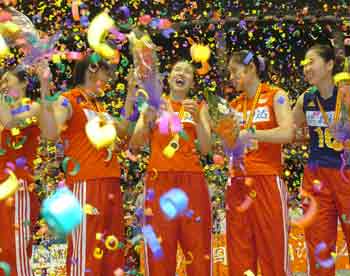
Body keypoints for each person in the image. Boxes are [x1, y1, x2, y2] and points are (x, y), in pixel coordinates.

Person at [50, 54, 134, 276]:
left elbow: (123, 130)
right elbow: (55, 125)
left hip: (111, 182)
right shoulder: (68, 99)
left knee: (112, 251)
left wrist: (132, 93)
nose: (108, 80)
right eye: (106, 74)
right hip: (85, 183)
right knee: (86, 249)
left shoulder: (99, 108)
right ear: (92, 70)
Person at [130, 60, 212, 275]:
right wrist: (146, 120)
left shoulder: (199, 107)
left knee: (198, 246)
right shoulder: (155, 105)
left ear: (192, 81)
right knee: (159, 249)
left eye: (187, 72)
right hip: (160, 181)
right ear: (169, 77)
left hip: (192, 181)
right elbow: (136, 143)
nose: (182, 73)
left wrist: (199, 121)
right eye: (178, 69)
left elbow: (205, 148)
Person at [224, 50, 294, 275]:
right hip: (237, 181)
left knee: (273, 251)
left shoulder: (277, 95)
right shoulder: (233, 105)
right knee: (239, 254)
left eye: (234, 71)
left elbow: (287, 133)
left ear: (251, 68)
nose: (231, 78)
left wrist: (253, 134)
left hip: (267, 179)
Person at [293, 44, 350, 276]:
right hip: (316, 178)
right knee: (319, 246)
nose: (306, 67)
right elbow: (290, 131)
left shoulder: (346, 96)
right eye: (305, 63)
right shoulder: (305, 99)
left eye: (311, 61)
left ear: (329, 65)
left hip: (346, 174)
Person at [0, 61, 56, 276]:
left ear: (23, 83)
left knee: (16, 247)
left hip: (18, 186)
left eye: (7, 80)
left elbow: (11, 123)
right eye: (2, 80)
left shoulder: (32, 107)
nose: (3, 84)